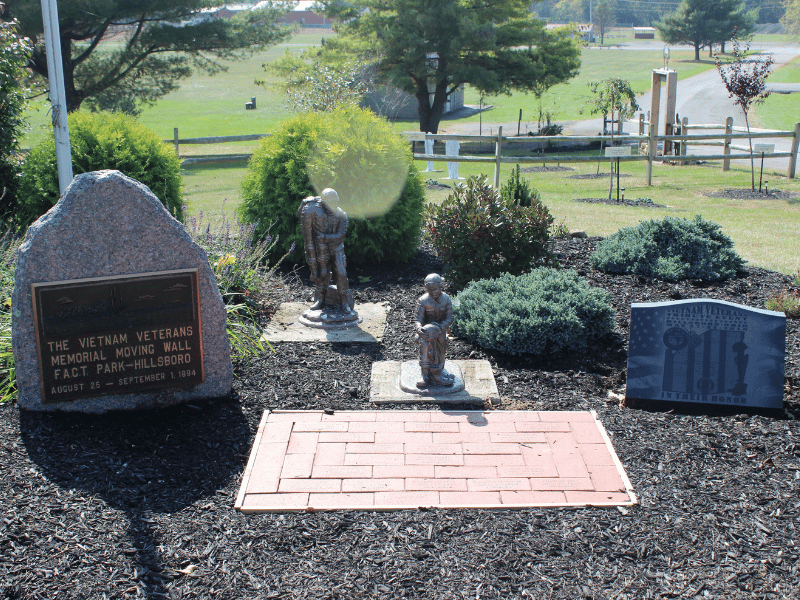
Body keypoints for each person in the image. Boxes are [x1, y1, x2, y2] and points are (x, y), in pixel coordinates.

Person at [297, 188, 353, 314]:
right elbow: (301, 216)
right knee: (323, 273)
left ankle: (344, 302)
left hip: (337, 249)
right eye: (329, 202)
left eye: (334, 202)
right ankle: (320, 300)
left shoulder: (342, 215)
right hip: (322, 249)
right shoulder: (317, 212)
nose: (332, 205)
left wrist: (324, 238)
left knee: (341, 273)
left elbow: (340, 236)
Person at [415, 274, 455, 388]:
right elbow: (418, 319)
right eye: (430, 290)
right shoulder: (423, 301)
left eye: (436, 289)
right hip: (426, 332)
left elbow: (449, 317)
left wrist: (440, 328)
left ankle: (439, 372)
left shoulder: (446, 299)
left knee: (441, 349)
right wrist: (419, 329)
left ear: (441, 286)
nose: (433, 292)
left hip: (440, 330)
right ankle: (425, 374)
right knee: (425, 345)